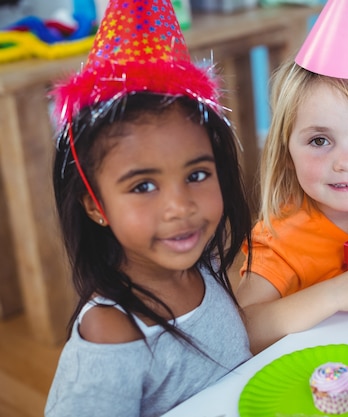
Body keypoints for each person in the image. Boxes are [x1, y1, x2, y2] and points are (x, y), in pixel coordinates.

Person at [44, 1, 252, 416]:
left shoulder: (202, 263)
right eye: (143, 186)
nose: (180, 207)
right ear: (95, 206)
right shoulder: (112, 331)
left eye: (196, 175)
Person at [236, 0, 348, 354]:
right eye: (320, 141)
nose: (345, 162)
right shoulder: (280, 241)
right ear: (286, 153)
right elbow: (244, 329)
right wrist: (334, 293)